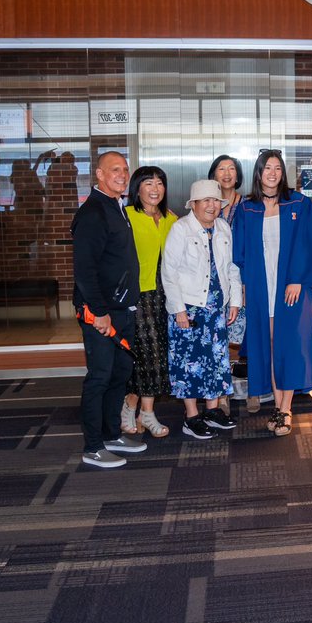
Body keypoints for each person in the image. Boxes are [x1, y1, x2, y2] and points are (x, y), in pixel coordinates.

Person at [232, 149, 312, 437]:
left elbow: (309, 244)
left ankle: (286, 409)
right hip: (263, 287)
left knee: (290, 345)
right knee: (270, 346)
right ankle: (277, 405)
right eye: (267, 168)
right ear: (258, 173)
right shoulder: (247, 208)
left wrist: (297, 279)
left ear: (282, 173)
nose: (272, 173)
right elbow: (240, 253)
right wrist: (245, 288)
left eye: (277, 168)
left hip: (292, 288)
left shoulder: (299, 203)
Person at [71, 151, 146, 469]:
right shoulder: (92, 213)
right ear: (98, 175)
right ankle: (92, 447)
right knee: (99, 377)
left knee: (119, 374)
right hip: (100, 313)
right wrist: (99, 311)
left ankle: (111, 434)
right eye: (114, 169)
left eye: (125, 169)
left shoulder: (116, 206)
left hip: (122, 308)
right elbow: (84, 269)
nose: (122, 174)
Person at [161, 179, 242, 439]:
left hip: (217, 307)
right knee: (189, 363)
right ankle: (192, 417)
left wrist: (235, 301)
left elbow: (232, 267)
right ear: (193, 205)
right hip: (190, 308)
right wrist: (178, 310)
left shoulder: (223, 228)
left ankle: (212, 411)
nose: (211, 206)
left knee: (216, 361)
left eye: (216, 201)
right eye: (205, 201)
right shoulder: (180, 229)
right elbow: (168, 272)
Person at [120, 166, 177, 439]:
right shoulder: (126, 216)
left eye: (159, 183)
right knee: (147, 353)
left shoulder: (172, 219)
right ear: (137, 188)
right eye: (148, 183)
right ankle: (143, 411)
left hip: (165, 295)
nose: (155, 189)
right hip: (136, 295)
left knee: (156, 354)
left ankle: (134, 406)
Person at [208, 153, 250, 411]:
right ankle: (220, 392)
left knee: (248, 337)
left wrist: (246, 284)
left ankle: (253, 389)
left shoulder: (247, 205)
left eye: (231, 169)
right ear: (213, 174)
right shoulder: (207, 204)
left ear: (237, 175)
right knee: (216, 339)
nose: (226, 173)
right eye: (221, 168)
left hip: (242, 278)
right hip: (212, 280)